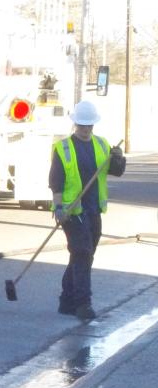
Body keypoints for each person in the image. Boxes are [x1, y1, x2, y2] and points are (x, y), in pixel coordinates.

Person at [48, 100, 125, 321]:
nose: (86, 129)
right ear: (75, 124)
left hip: (92, 209)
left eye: (89, 125)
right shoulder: (64, 148)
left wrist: (118, 157)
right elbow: (56, 180)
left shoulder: (102, 145)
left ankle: (66, 300)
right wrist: (59, 207)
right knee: (82, 252)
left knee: (83, 254)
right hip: (72, 211)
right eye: (82, 125)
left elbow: (116, 171)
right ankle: (83, 304)